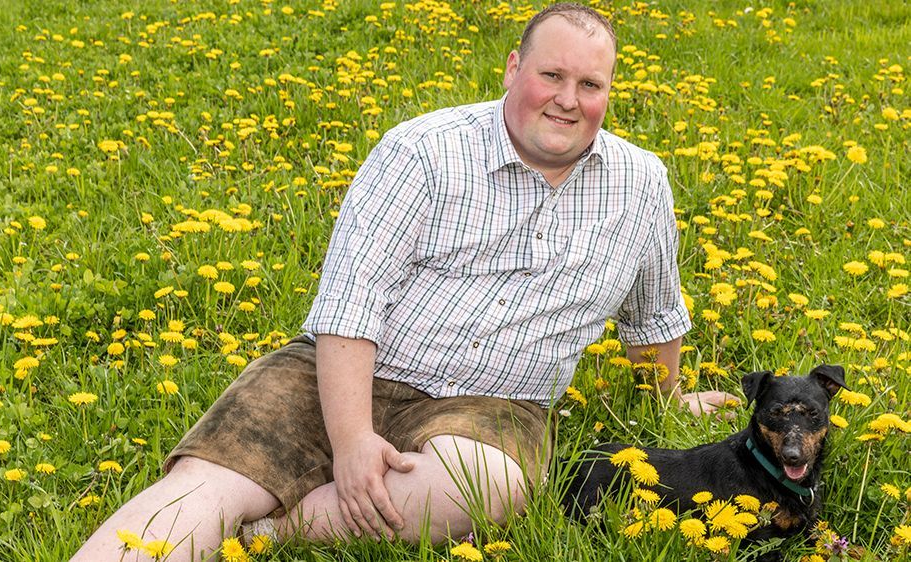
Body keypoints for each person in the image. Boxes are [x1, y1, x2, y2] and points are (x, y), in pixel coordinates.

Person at [71, 3, 736, 560]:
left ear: (609, 92)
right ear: (513, 68)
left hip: (492, 407)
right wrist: (355, 439)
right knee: (201, 490)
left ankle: (272, 532)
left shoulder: (640, 182)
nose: (568, 100)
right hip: (338, 371)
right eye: (551, 75)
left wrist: (668, 394)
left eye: (589, 85)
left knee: (486, 488)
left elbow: (652, 314)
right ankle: (242, 505)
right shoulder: (422, 149)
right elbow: (350, 306)